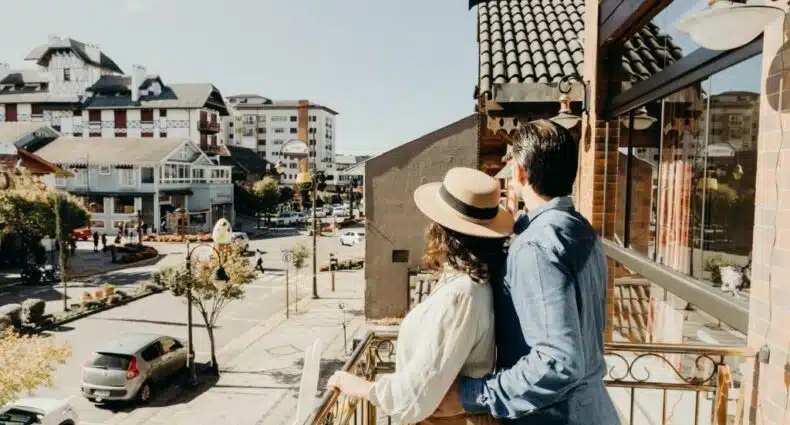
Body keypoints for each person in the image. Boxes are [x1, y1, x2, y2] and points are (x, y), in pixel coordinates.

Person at [435, 120, 619, 424]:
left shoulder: (536, 246)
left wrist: (471, 395)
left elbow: (557, 362)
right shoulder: (581, 229)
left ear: (520, 171)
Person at [329, 167, 513, 425]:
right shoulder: (469, 282)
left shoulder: (463, 293)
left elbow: (419, 389)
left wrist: (360, 387)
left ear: (442, 231)